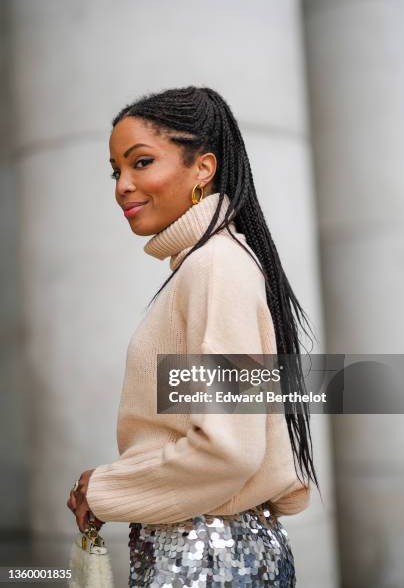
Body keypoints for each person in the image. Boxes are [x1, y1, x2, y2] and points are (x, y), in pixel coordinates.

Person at [67, 86, 320, 587]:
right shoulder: (209, 265)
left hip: (204, 554)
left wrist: (104, 489)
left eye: (141, 162)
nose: (122, 185)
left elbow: (228, 448)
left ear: (203, 168)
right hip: (218, 545)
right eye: (116, 170)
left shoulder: (215, 266)